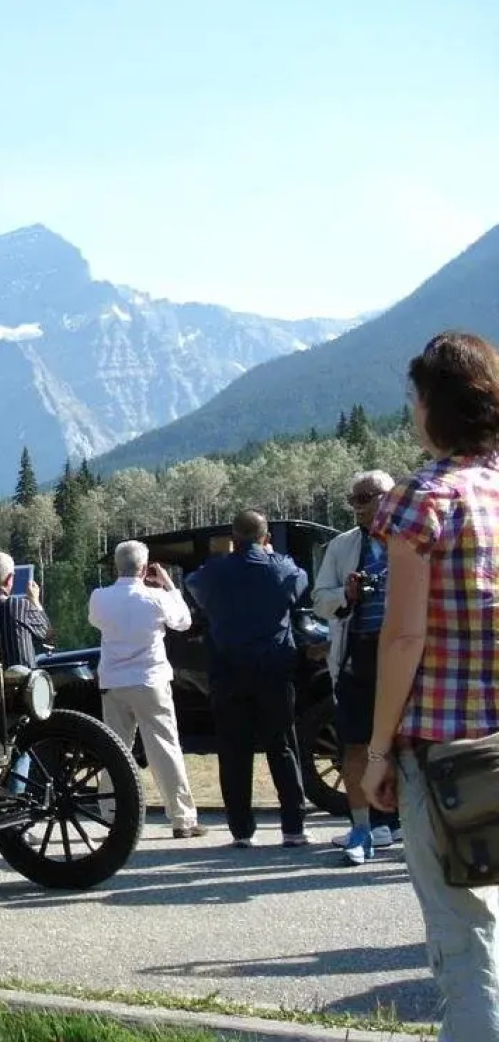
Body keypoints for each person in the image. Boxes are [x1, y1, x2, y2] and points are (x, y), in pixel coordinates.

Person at [363, 331, 499, 1039]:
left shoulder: (425, 499)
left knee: (462, 932)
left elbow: (405, 636)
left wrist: (381, 750)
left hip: (448, 757)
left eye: (414, 396)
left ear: (431, 407)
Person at [185, 510, 311, 848]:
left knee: (233, 751)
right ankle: (293, 827)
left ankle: (241, 830)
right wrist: (272, 556)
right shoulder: (281, 569)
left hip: (227, 671)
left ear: (233, 539)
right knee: (282, 747)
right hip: (273, 668)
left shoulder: (213, 573)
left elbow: (192, 585)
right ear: (265, 537)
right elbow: (301, 581)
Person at [312, 469, 402, 864]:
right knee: (354, 745)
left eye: (366, 497)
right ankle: (362, 828)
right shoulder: (341, 546)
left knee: (407, 746)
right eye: (354, 499)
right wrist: (345, 595)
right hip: (358, 656)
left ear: (389, 496)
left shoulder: (412, 537)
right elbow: (319, 600)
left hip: (403, 653)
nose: (359, 506)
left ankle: (404, 827)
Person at [88, 541, 207, 838]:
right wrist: (168, 585)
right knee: (164, 748)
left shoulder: (100, 598)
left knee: (114, 750)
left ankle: (112, 816)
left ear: (117, 565)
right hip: (149, 679)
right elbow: (184, 622)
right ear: (144, 568)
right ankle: (182, 817)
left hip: (114, 681)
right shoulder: (154, 598)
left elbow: (95, 621)